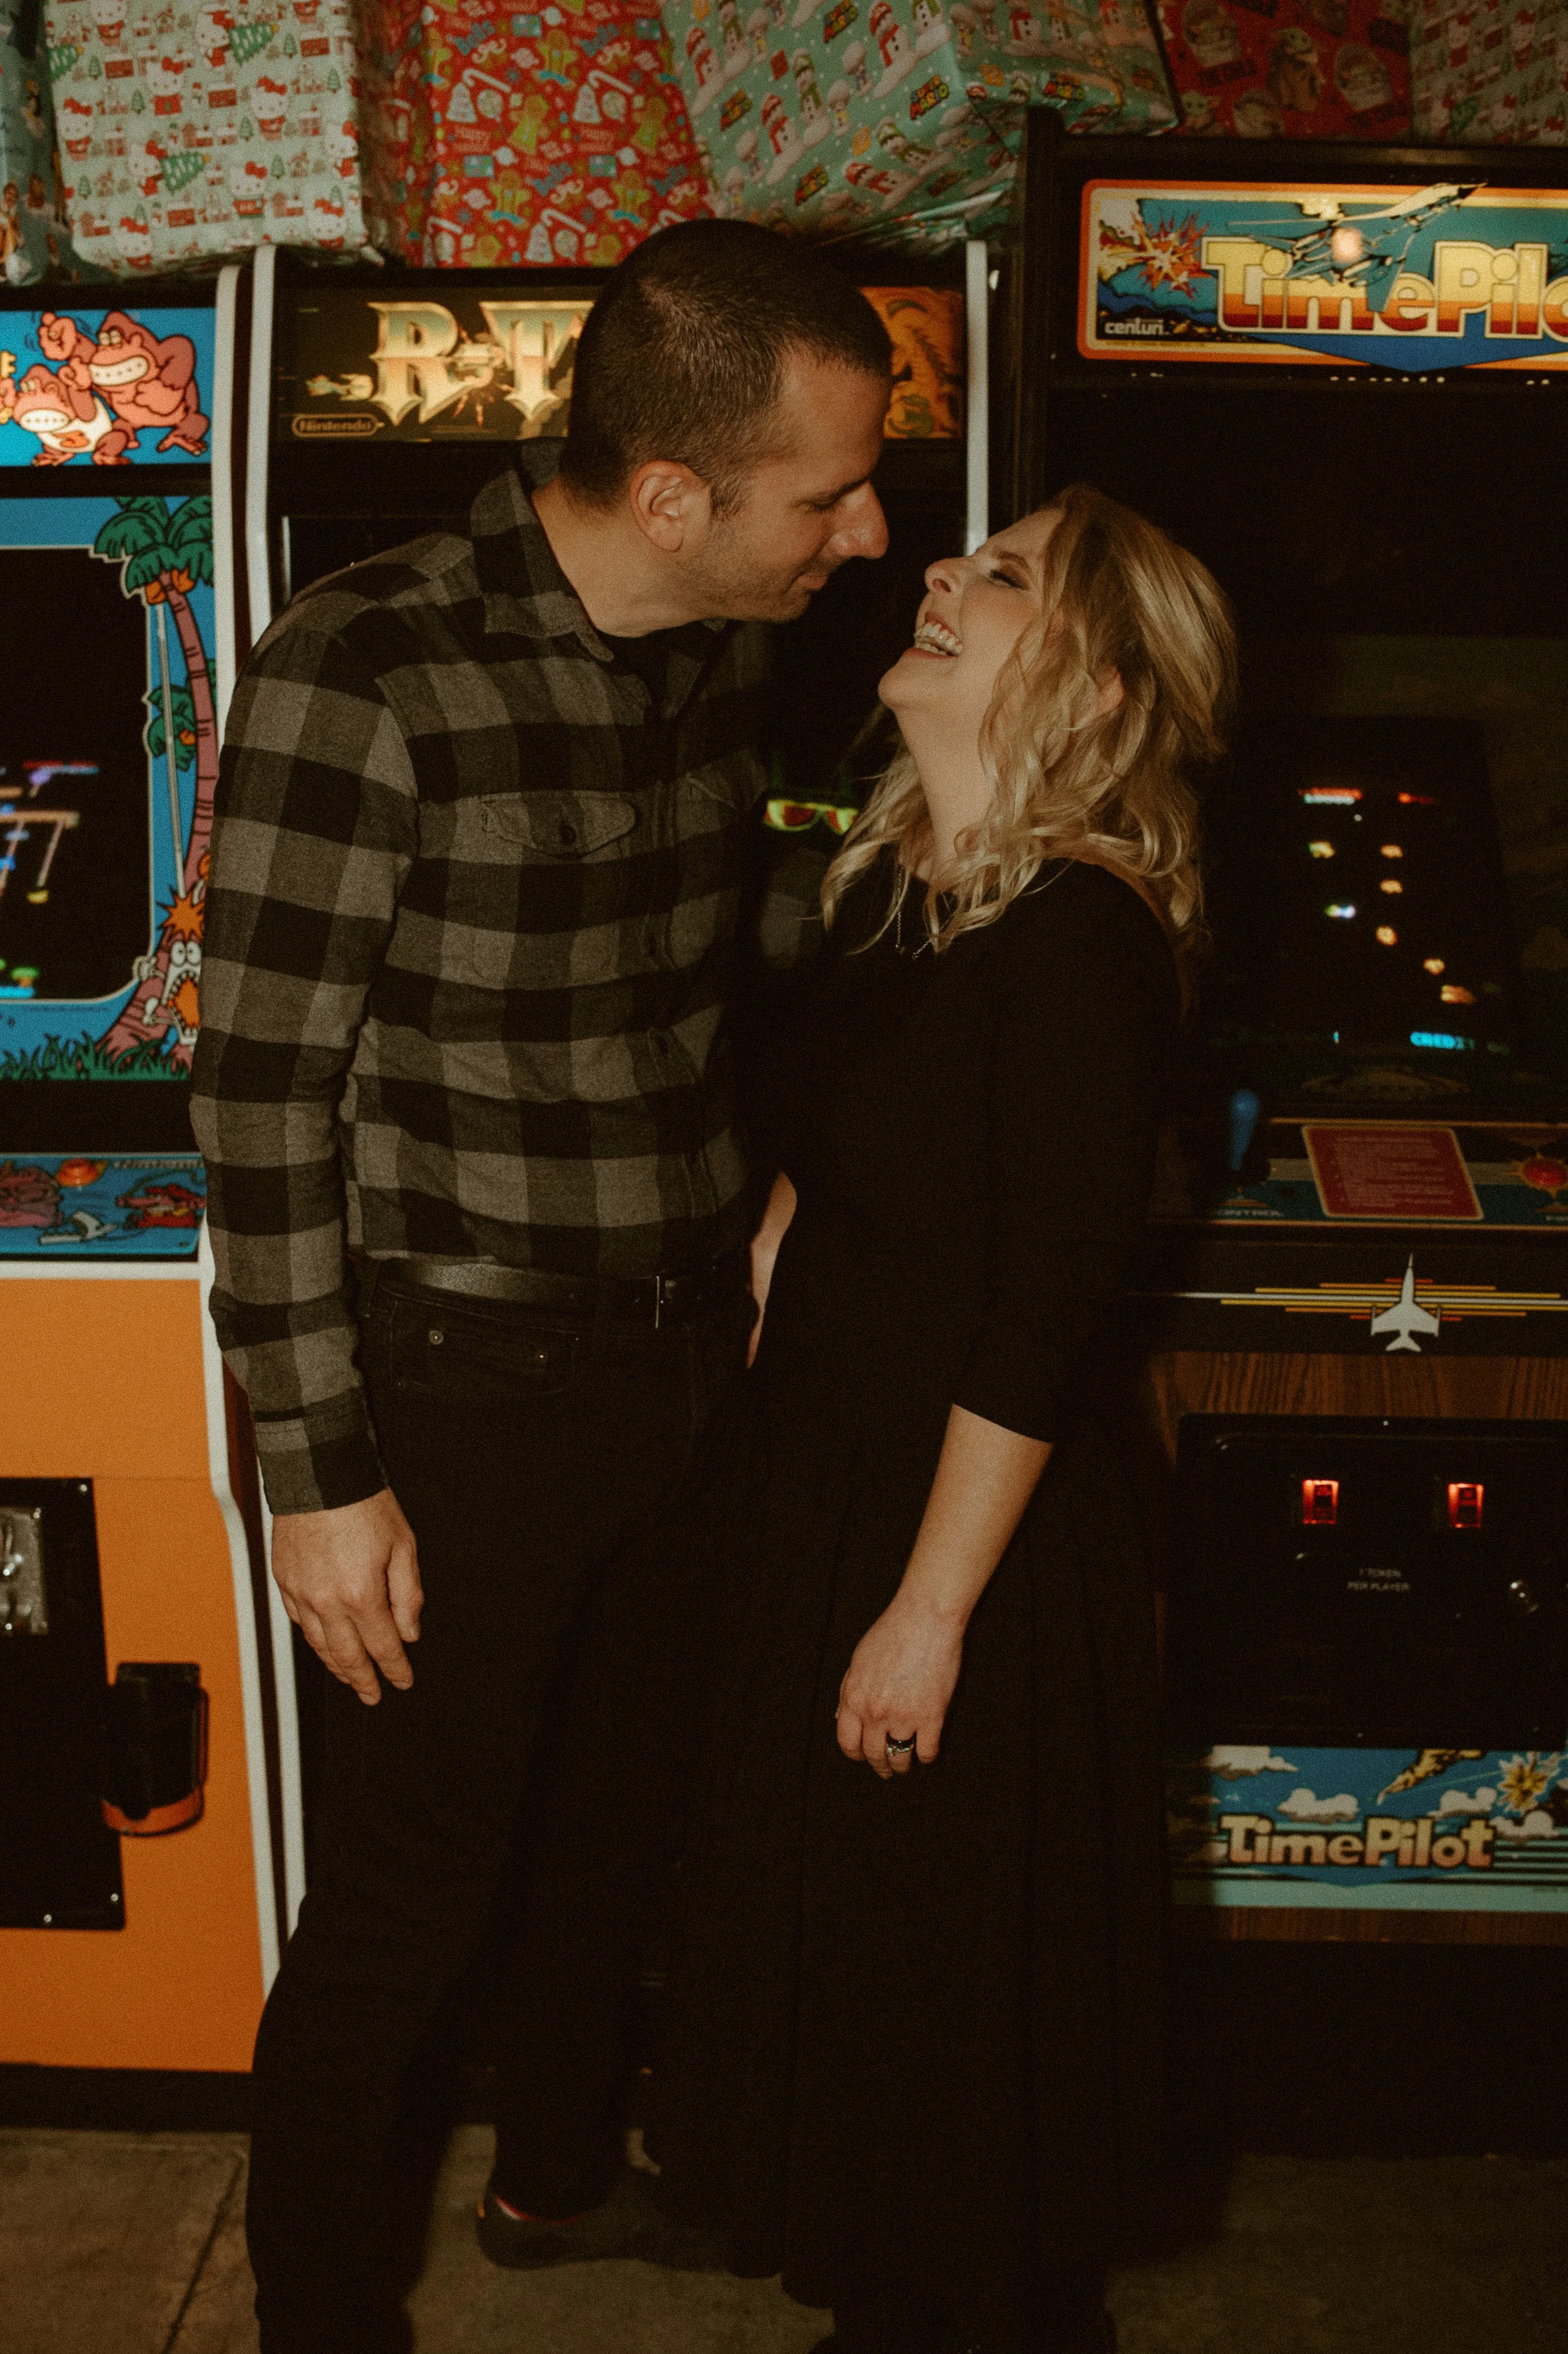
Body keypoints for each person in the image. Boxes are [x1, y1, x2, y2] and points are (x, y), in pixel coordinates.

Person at [188, 219, 891, 2354]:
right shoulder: (367, 662)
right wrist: (315, 1478)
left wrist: (766, 1180)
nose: (863, 534)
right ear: (670, 493)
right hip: (453, 1390)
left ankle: (558, 2170)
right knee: (412, 1898)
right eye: (824, 493)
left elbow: (688, 965)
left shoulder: (717, 637)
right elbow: (257, 1100)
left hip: (684, 1355)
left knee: (621, 1835)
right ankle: (322, 2316)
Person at [649, 486, 1237, 2354]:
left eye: (1001, 577)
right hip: (837, 1503)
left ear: (1098, 682)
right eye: (958, 557)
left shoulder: (1080, 937)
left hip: (961, 1544)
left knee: (948, 2079)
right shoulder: (907, 898)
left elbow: (1043, 1313)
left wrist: (927, 1614)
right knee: (867, 2046)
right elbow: (843, 1182)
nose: (936, 574)